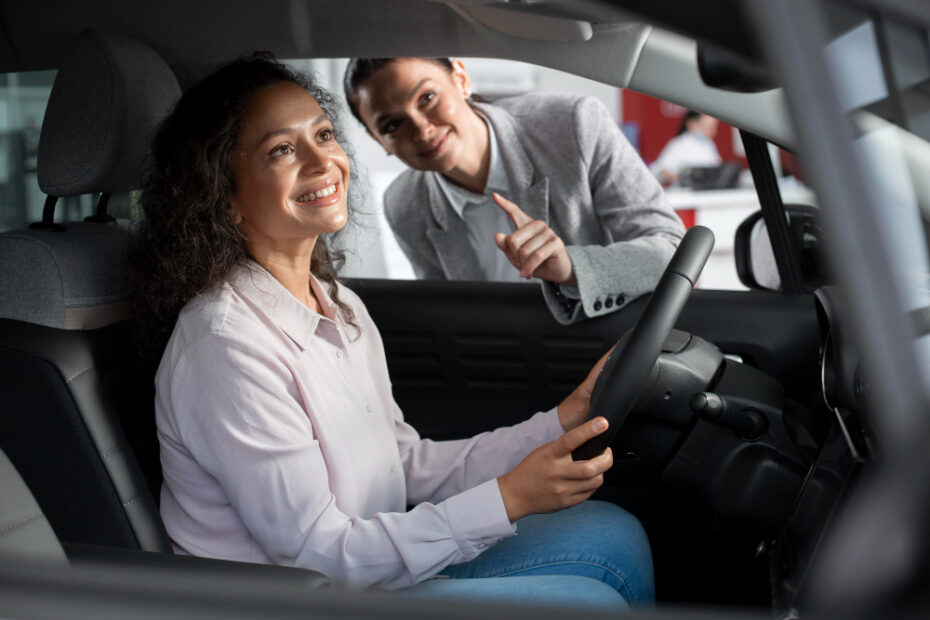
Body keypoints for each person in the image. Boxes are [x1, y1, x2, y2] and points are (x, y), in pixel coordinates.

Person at [131, 54, 653, 610]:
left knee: (614, 534)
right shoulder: (224, 345)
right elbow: (316, 555)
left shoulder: (339, 304)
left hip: (367, 561)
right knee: (589, 604)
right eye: (282, 149)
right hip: (297, 598)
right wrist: (506, 499)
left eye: (324, 135)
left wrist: (557, 423)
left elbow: (403, 464)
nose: (322, 161)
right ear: (225, 197)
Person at [343, 57, 684, 325]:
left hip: (613, 354)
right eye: (391, 125)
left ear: (461, 78)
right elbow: (451, 320)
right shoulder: (404, 204)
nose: (421, 128)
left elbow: (671, 250)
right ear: (379, 142)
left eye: (427, 97)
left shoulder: (573, 125)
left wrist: (571, 268)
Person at [650, 110, 722, 188]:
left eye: (713, 128)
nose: (711, 132)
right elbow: (660, 170)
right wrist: (681, 179)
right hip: (685, 195)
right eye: (707, 127)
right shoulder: (679, 144)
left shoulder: (709, 144)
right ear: (692, 124)